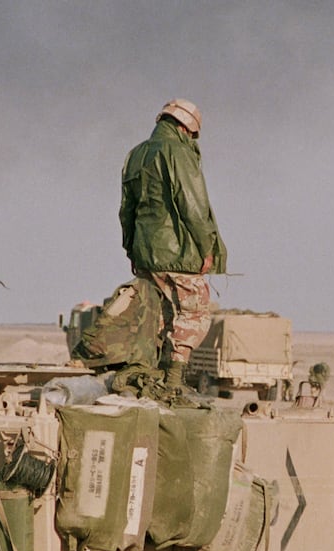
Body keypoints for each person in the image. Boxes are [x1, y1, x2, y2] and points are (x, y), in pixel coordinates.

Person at [119, 99, 228, 390]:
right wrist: (207, 246)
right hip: (178, 252)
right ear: (184, 127)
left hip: (145, 254)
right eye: (193, 134)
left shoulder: (136, 155)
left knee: (158, 318)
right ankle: (173, 382)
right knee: (194, 315)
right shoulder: (178, 152)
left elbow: (126, 208)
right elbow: (192, 204)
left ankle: (147, 377)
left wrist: (131, 247)